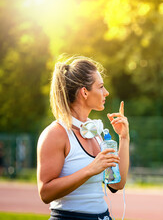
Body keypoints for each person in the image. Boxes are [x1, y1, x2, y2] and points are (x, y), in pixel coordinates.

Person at [37, 55, 130, 220]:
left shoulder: (95, 132)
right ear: (84, 92)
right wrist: (90, 170)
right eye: (101, 87)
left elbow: (117, 183)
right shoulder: (55, 134)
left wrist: (124, 138)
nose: (106, 92)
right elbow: (45, 193)